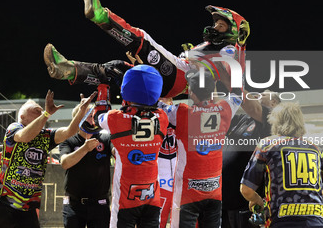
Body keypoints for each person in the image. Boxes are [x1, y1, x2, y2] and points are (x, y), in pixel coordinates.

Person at [43, 0, 249, 98]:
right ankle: (69, 70)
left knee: (143, 39)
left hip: (179, 75)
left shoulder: (231, 50)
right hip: (172, 80)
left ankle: (102, 16)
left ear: (236, 32)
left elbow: (232, 84)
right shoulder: (216, 49)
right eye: (215, 24)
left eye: (221, 25)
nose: (214, 28)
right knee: (118, 70)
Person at [157, 66, 243, 228]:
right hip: (214, 193)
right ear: (212, 91)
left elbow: (155, 105)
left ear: (191, 93)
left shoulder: (182, 113)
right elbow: (238, 94)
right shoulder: (225, 109)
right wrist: (238, 58)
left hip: (187, 196)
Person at [0, 90, 96, 228]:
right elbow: (25, 136)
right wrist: (46, 114)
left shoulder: (45, 136)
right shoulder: (14, 128)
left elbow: (69, 131)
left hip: (28, 207)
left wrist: (82, 111)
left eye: (41, 110)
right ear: (22, 116)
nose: (40, 112)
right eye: (35, 111)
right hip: (5, 203)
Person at [240, 102, 323, 228]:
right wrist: (315, 200)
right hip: (316, 222)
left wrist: (258, 201)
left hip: (281, 221)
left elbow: (246, 190)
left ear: (275, 122)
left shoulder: (267, 146)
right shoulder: (315, 149)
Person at [95, 65, 169, 228]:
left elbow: (98, 116)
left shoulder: (116, 119)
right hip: (152, 197)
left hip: (125, 200)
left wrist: (103, 86)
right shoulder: (163, 118)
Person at [221, 90, 281, 228]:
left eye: (263, 95)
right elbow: (220, 115)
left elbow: (253, 107)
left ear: (274, 102)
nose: (257, 96)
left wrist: (236, 85)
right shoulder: (241, 119)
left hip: (247, 202)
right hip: (225, 198)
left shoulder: (271, 120)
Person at [59, 103, 113, 228]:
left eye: (93, 115)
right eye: (87, 115)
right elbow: (65, 163)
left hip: (100, 203)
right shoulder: (69, 140)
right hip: (74, 204)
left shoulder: (105, 138)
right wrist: (84, 148)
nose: (92, 118)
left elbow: (117, 152)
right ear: (77, 119)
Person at [157, 97, 177, 228]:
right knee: (158, 221)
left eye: (167, 99)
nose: (164, 102)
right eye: (161, 99)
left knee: (181, 222)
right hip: (160, 181)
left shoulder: (179, 115)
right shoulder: (153, 117)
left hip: (178, 181)